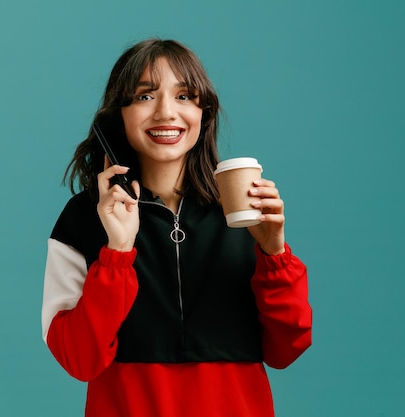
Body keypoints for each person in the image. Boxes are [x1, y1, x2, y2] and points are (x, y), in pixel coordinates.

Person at [41, 38, 312, 417]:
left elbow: (286, 349)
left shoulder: (243, 213)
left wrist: (275, 255)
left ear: (205, 111)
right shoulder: (83, 218)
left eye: (184, 96)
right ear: (118, 113)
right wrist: (117, 254)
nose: (166, 112)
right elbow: (78, 360)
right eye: (144, 97)